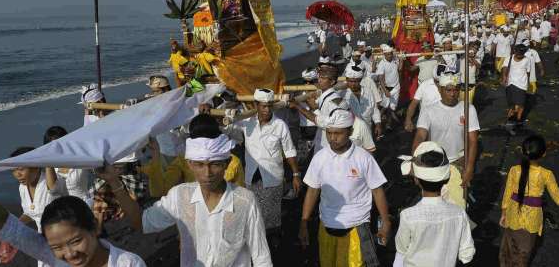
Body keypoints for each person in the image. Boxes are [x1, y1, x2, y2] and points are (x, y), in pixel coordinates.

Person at [0, 159, 147, 267]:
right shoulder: (52, 256)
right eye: (56, 246)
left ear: (94, 227)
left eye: (76, 241)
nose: (69, 254)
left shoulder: (127, 263)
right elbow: (6, 224)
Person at [137, 114, 273, 266]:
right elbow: (144, 220)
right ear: (190, 164)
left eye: (215, 164)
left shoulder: (245, 199)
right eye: (200, 165)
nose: (207, 173)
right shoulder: (179, 195)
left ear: (225, 163)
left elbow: (261, 255)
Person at [299, 109, 390, 267]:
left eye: (338, 133)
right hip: (326, 225)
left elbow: (377, 190)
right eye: (329, 133)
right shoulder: (319, 158)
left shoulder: (364, 158)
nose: (332, 138)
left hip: (357, 228)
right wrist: (304, 222)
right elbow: (313, 191)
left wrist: (386, 222)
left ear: (351, 132)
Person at [225, 89, 301, 246]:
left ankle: (273, 239)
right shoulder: (246, 123)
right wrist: (228, 117)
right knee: (253, 211)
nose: (266, 110)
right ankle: (256, 240)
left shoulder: (279, 125)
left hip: (272, 176)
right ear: (256, 106)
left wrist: (295, 174)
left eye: (269, 106)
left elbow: (289, 150)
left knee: (272, 213)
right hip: (252, 176)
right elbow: (228, 131)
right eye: (263, 106)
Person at [394, 142, 475, 267]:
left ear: (416, 180)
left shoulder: (408, 216)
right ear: (446, 179)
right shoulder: (459, 214)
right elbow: (466, 254)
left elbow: (401, 249)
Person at [499, 135, 559, 266]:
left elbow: (507, 193)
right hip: (531, 221)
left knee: (508, 252)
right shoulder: (546, 174)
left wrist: (504, 212)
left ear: (523, 151)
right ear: (543, 154)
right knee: (522, 255)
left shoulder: (514, 170)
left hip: (512, 215)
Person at [412, 73, 480, 208]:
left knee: (458, 204)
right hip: (434, 163)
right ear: (440, 89)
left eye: (456, 90)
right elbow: (420, 136)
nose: (453, 94)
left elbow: (473, 140)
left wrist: (470, 167)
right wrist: (415, 163)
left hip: (459, 162)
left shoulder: (468, 109)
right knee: (434, 204)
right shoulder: (428, 110)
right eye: (448, 90)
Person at [44, 127, 94, 208]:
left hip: (84, 206)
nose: (56, 147)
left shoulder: (80, 159)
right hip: (63, 210)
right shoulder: (50, 168)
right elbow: (53, 190)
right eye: (52, 145)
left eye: (60, 143)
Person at [342, 64, 381, 146]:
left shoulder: (368, 92)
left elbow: (374, 109)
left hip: (367, 129)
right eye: (350, 81)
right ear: (346, 80)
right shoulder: (342, 94)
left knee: (368, 153)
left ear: (360, 80)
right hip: (350, 132)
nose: (352, 84)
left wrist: (378, 124)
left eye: (355, 81)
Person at [404, 64, 445, 132]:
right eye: (437, 81)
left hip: (443, 124)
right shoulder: (424, 85)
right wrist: (408, 120)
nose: (438, 83)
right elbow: (414, 103)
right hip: (425, 124)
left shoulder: (449, 86)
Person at [502, 44, 532, 129]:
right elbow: (504, 67)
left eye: (522, 53)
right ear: (515, 51)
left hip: (521, 84)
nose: (520, 55)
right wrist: (504, 76)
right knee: (511, 103)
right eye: (519, 52)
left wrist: (528, 83)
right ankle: (509, 119)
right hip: (510, 83)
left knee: (521, 103)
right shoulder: (509, 58)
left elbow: (528, 72)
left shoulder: (527, 60)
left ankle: (519, 119)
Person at [375, 44, 403, 127]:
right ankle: (377, 120)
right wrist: (385, 90)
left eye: (391, 53)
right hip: (387, 88)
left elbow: (400, 69)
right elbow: (380, 78)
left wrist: (401, 60)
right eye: (388, 54)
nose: (390, 55)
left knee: (392, 107)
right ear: (384, 54)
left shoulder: (395, 59)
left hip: (396, 87)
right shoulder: (381, 64)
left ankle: (388, 124)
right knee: (385, 106)